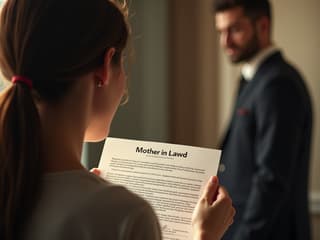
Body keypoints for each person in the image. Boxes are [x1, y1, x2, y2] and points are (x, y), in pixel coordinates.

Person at [0, 0, 235, 240]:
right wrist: (204, 235)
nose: (124, 88)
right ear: (105, 66)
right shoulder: (126, 216)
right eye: (122, 65)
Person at [213, 0, 313, 240]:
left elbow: (271, 179)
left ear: (263, 26)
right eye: (220, 32)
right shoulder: (254, 78)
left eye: (235, 30)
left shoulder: (278, 83)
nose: (224, 42)